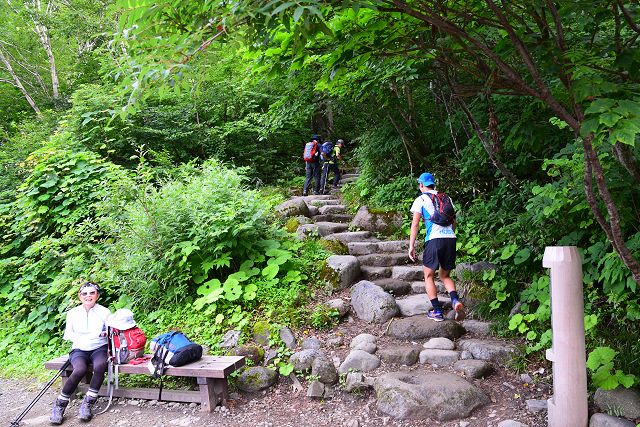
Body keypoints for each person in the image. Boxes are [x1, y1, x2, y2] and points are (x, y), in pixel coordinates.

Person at [50, 282, 111, 424]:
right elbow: (68, 335)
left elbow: (110, 332)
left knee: (100, 365)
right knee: (79, 369)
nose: (88, 296)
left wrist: (104, 334)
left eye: (92, 293)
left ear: (97, 295)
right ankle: (60, 404)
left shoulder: (105, 312)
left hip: (99, 347)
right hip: (79, 348)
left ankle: (88, 403)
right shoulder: (72, 313)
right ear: (80, 296)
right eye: (85, 293)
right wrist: (85, 338)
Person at [408, 172, 465, 322]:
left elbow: (415, 224)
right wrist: (449, 235)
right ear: (433, 184)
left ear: (421, 185)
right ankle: (454, 300)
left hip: (434, 239)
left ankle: (437, 311)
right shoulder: (447, 198)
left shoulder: (421, 199)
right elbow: (453, 221)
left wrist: (411, 246)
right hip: (450, 239)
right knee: (445, 275)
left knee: (428, 276)